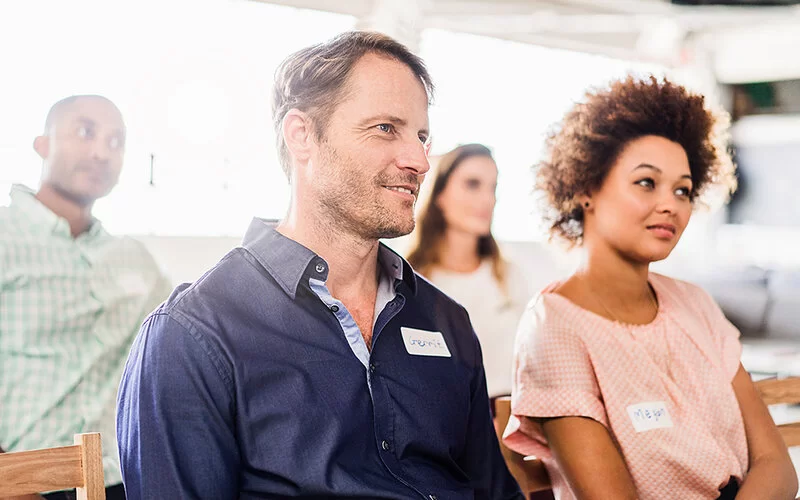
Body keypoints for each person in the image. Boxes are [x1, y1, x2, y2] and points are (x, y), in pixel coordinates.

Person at [116, 31, 524, 499]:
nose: (419, 160)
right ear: (302, 135)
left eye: (422, 135)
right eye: (385, 128)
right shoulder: (193, 334)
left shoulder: (448, 322)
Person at [503, 75, 798, 500]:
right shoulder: (556, 325)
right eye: (647, 182)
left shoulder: (695, 304)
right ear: (586, 187)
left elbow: (777, 467)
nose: (670, 204)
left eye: (683, 190)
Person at [0, 95, 171, 500]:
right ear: (42, 144)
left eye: (116, 142)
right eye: (85, 132)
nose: (101, 152)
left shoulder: (136, 262)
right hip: (19, 479)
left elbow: (182, 341)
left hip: (119, 480)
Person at [406, 143, 535, 398]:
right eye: (473, 184)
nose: (488, 199)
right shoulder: (412, 281)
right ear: (439, 194)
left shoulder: (508, 275)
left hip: (513, 421)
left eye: (493, 188)